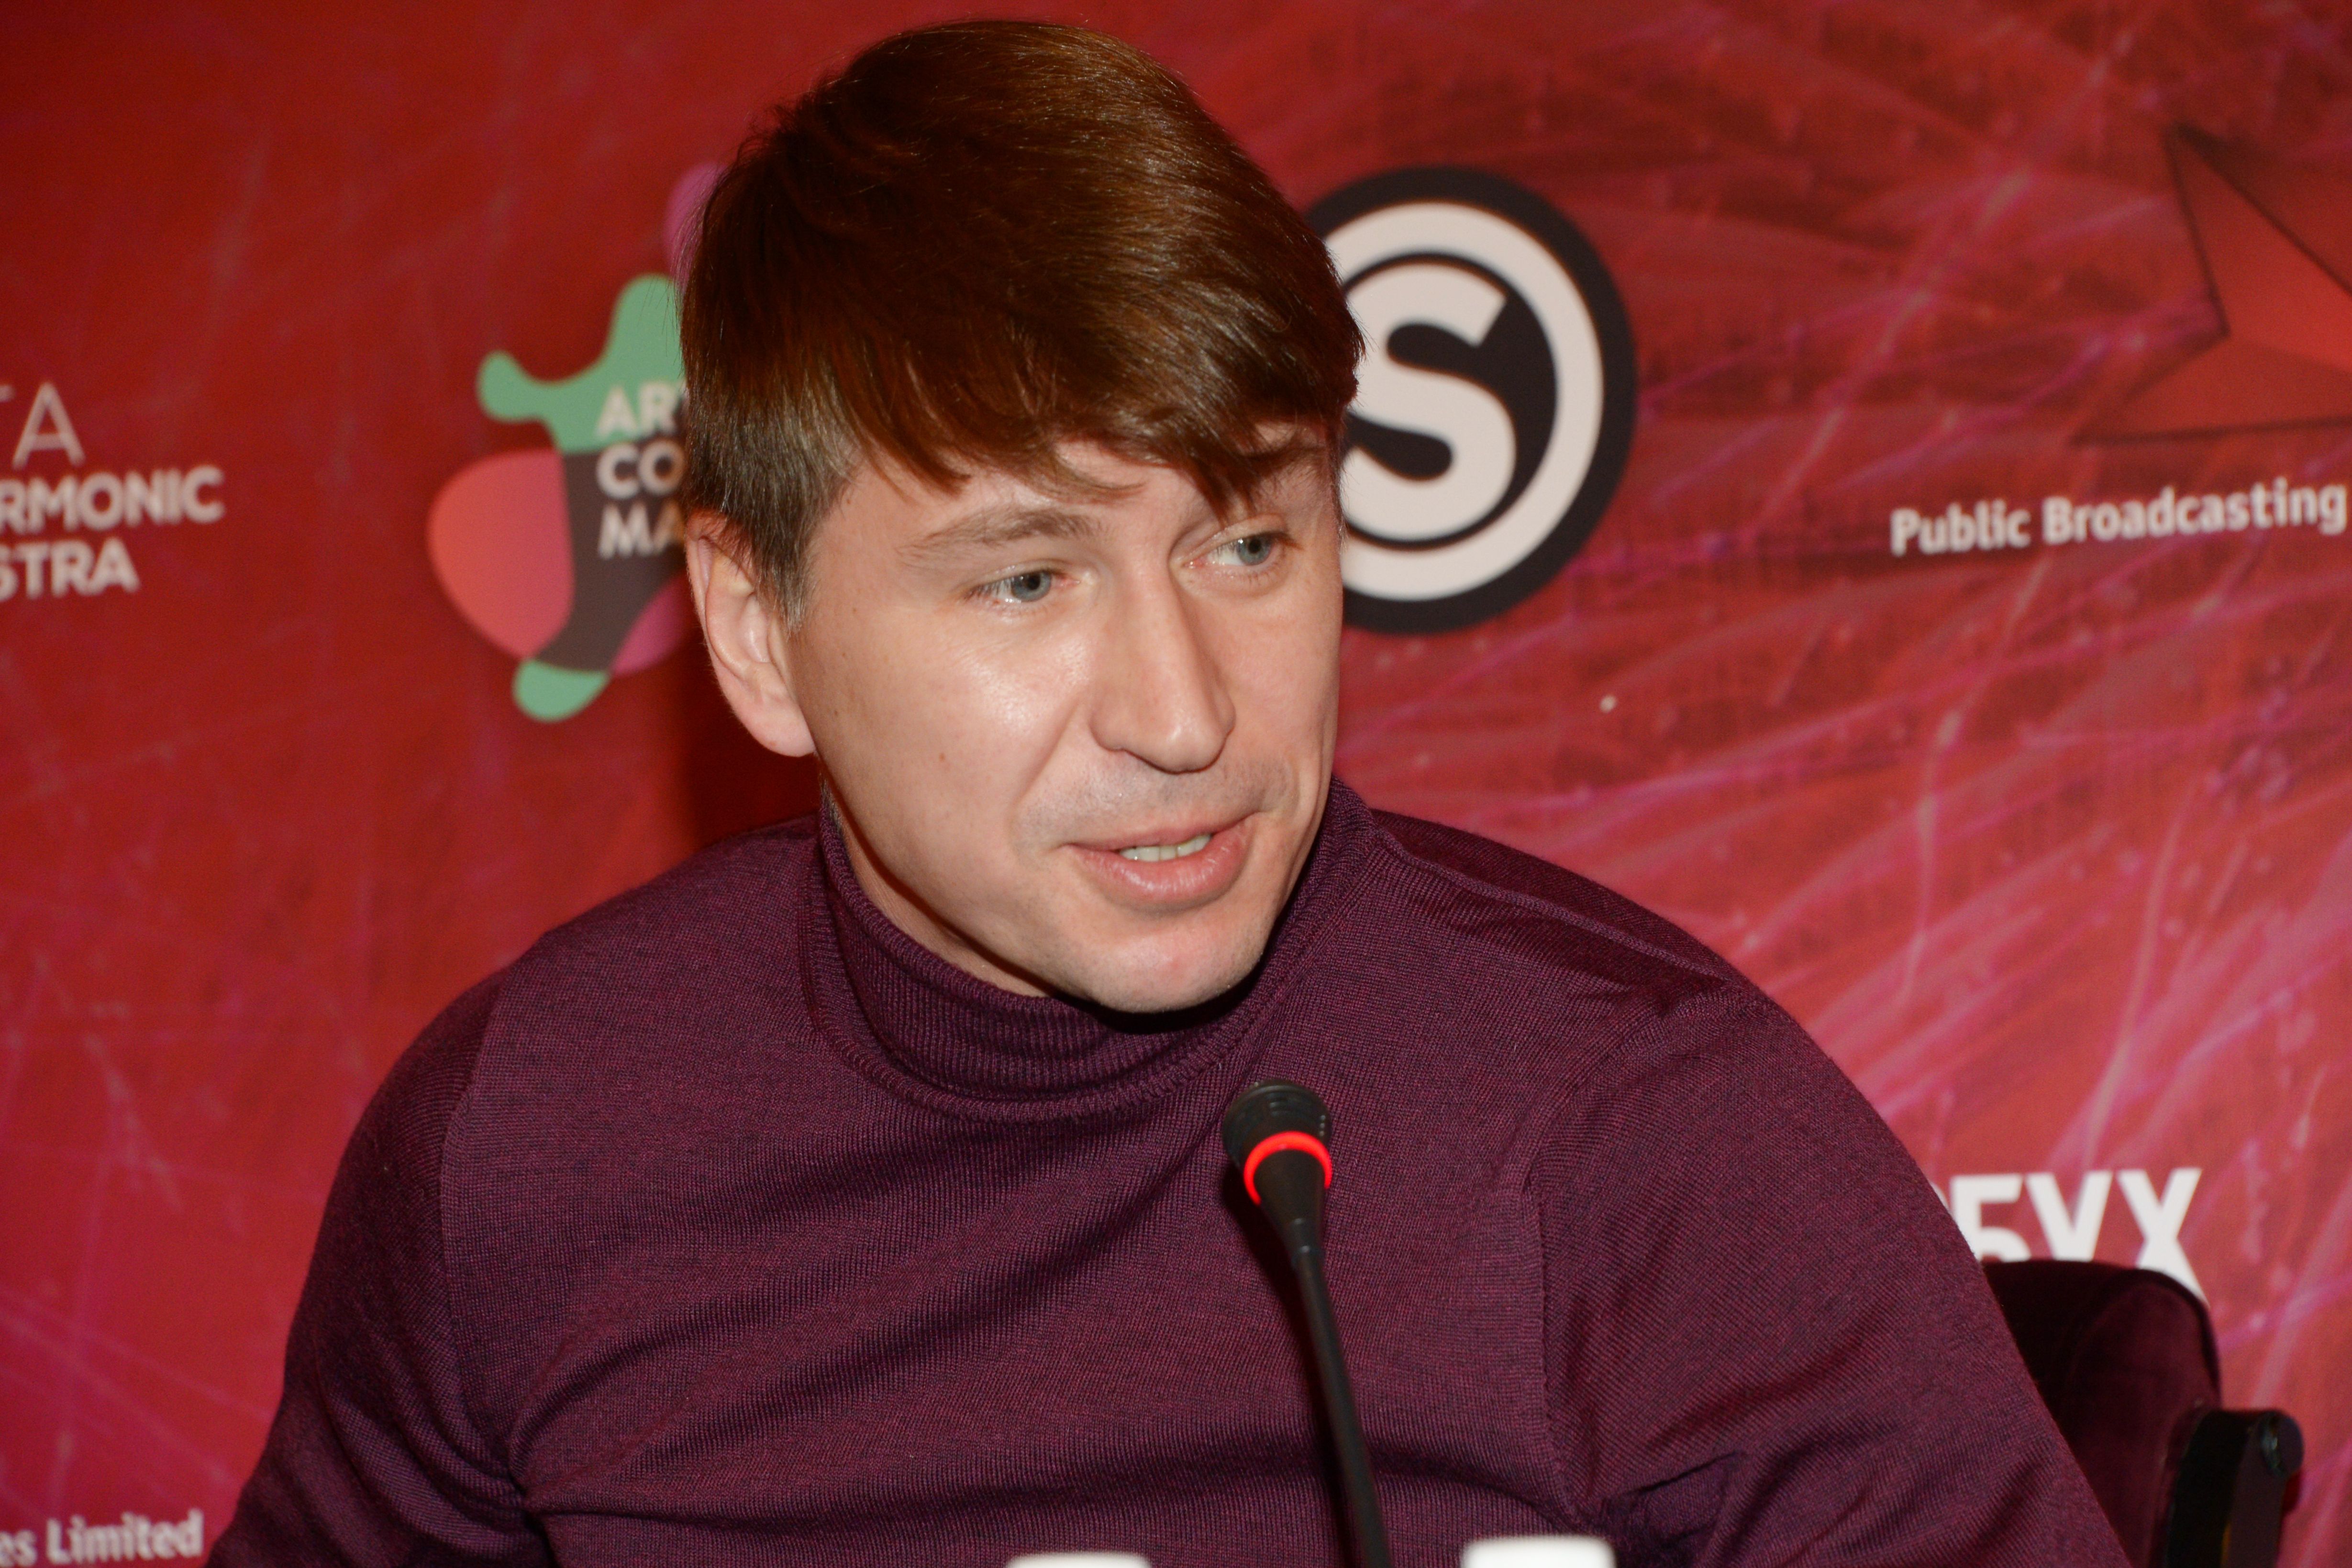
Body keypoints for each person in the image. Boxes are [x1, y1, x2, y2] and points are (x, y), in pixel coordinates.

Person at [215, 21, 2126, 1568]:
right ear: (756, 630)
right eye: (1027, 581)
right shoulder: (526, 1142)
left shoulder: (1640, 1127)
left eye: (1244, 544)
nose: (1184, 712)